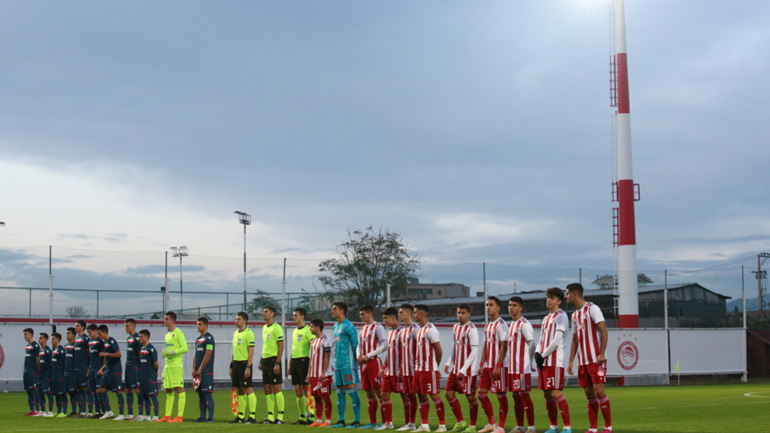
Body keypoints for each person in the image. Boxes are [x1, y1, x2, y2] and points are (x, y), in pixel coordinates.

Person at [566, 283, 612, 433]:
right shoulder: (574, 315)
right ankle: (593, 428)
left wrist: (602, 353)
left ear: (574, 294)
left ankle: (608, 427)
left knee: (599, 391)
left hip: (595, 359)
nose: (566, 297)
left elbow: (603, 331)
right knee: (588, 393)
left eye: (567, 293)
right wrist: (571, 361)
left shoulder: (592, 308)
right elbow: (574, 340)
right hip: (583, 361)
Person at [535, 287, 572, 433]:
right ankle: (553, 427)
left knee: (556, 392)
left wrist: (542, 355)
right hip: (544, 361)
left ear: (559, 301)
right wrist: (537, 354)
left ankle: (567, 428)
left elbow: (556, 341)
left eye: (552, 298)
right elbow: (541, 339)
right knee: (546, 394)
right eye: (548, 297)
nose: (548, 300)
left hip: (555, 361)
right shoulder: (546, 318)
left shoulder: (561, 316)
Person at [443, 304, 479, 433]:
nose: (460, 315)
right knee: (448, 393)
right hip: (456, 368)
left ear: (468, 314)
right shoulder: (456, 327)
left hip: (467, 370)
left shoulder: (471, 329)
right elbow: (455, 346)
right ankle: (460, 422)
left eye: (463, 313)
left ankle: (473, 426)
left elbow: (474, 351)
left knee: (470, 397)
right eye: (458, 312)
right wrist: (449, 362)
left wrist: (464, 369)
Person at [411, 304, 446, 433]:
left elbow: (439, 351)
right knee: (421, 396)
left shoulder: (431, 329)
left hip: (428, 370)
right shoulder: (419, 330)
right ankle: (424, 425)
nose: (413, 315)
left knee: (434, 395)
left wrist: (435, 366)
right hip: (419, 370)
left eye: (415, 313)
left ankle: (442, 426)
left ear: (422, 314)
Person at [477, 297, 508, 433]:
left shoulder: (501, 324)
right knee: (481, 394)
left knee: (501, 396)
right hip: (488, 366)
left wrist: (498, 365)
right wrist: (481, 364)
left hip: (498, 366)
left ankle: (501, 427)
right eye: (487, 305)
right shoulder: (488, 325)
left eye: (491, 305)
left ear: (498, 308)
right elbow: (485, 346)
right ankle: (491, 423)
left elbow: (504, 346)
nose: (488, 307)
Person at [329, 301, 361, 428]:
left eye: (335, 309)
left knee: (352, 390)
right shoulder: (335, 326)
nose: (332, 311)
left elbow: (355, 344)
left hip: (348, 364)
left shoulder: (349, 326)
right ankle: (341, 421)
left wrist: (356, 360)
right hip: (338, 364)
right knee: (339, 392)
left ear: (342, 311)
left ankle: (356, 421)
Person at [507, 297, 536, 433]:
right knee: (515, 397)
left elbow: (532, 344)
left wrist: (529, 360)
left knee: (524, 396)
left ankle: (531, 428)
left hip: (522, 368)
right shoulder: (512, 324)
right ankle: (520, 427)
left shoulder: (524, 324)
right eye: (510, 305)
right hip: (512, 368)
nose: (511, 308)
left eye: (514, 305)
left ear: (520, 308)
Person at [357, 304, 387, 429]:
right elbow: (358, 345)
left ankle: (385, 421)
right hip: (364, 364)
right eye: (360, 314)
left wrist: (369, 355)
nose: (361, 317)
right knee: (368, 392)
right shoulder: (363, 329)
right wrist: (358, 355)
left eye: (362, 314)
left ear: (370, 314)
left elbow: (384, 345)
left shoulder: (378, 327)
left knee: (379, 391)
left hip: (374, 362)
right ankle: (372, 421)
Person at [157, 311, 187, 423]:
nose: (164, 321)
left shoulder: (178, 333)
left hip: (176, 365)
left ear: (172, 320)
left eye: (166, 319)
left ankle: (180, 416)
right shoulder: (167, 335)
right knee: (168, 389)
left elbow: (184, 348)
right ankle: (167, 415)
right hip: (168, 366)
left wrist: (171, 352)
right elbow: (169, 352)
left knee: (179, 388)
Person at [377, 307, 405, 431]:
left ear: (393, 318)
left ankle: (409, 423)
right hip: (389, 371)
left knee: (405, 396)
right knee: (384, 394)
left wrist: (402, 368)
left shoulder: (402, 332)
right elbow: (389, 352)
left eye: (385, 318)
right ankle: (388, 423)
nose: (384, 321)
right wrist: (383, 367)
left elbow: (405, 352)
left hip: (399, 371)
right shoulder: (390, 332)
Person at [260, 306, 285, 424]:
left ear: (272, 313)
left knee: (276, 388)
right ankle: (270, 416)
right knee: (267, 388)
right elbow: (265, 345)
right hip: (265, 360)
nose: (263, 313)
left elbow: (281, 346)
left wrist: (277, 363)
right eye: (263, 311)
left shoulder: (277, 327)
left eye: (266, 312)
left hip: (273, 360)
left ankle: (280, 417)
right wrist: (261, 361)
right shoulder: (264, 327)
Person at [396, 304, 419, 432]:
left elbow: (420, 349)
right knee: (409, 395)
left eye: (401, 312)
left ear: (408, 313)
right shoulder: (402, 331)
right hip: (405, 370)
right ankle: (410, 423)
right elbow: (402, 351)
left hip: (414, 369)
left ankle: (416, 423)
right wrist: (400, 368)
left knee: (419, 396)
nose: (399, 315)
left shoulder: (415, 329)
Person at [306, 318, 333, 427]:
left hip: (323, 375)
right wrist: (309, 373)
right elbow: (311, 359)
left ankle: (328, 421)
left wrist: (323, 373)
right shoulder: (313, 341)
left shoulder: (325, 340)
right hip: (314, 375)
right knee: (316, 397)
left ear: (317, 327)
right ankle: (318, 420)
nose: (310, 328)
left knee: (325, 397)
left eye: (311, 326)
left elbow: (327, 357)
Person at [231, 311, 257, 424]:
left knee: (248, 389)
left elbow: (251, 352)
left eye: (239, 319)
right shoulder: (235, 333)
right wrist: (231, 365)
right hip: (236, 364)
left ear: (245, 321)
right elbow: (235, 351)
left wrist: (248, 367)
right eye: (236, 319)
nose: (236, 321)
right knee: (239, 390)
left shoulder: (249, 333)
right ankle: (241, 416)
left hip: (244, 364)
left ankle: (252, 416)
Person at [290, 307, 314, 425]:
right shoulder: (295, 331)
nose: (293, 317)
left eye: (296, 315)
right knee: (297, 390)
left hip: (304, 361)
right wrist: (290, 364)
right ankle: (302, 417)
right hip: (294, 361)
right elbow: (293, 348)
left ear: (302, 316)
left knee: (306, 389)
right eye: (293, 315)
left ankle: (312, 415)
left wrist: (311, 366)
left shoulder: (308, 330)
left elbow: (313, 348)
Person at [97, 324, 124, 420]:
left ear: (104, 332)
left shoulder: (112, 341)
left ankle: (121, 414)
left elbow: (119, 354)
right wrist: (103, 367)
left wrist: (106, 354)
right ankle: (109, 412)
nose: (99, 336)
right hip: (108, 370)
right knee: (101, 390)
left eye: (99, 334)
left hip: (115, 370)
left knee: (118, 391)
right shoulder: (105, 343)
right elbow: (108, 357)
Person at [193, 316, 216, 423]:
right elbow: (196, 355)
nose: (198, 326)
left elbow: (208, 355)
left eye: (200, 324)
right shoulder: (198, 340)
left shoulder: (209, 338)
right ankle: (202, 417)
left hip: (206, 371)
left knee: (207, 394)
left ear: (206, 325)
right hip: (198, 371)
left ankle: (210, 418)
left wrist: (201, 369)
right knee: (200, 394)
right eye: (197, 324)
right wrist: (194, 368)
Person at [138, 329, 160, 421]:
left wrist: (153, 373)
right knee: (144, 396)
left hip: (150, 377)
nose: (139, 338)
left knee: (153, 396)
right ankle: (147, 416)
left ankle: (156, 416)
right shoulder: (142, 348)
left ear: (146, 337)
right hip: (142, 377)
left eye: (141, 336)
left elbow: (156, 364)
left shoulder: (151, 349)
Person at [124, 318, 142, 420]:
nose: (126, 328)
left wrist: (141, 367)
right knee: (127, 389)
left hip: (135, 367)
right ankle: (130, 413)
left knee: (137, 389)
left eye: (127, 326)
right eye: (125, 326)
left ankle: (140, 413)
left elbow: (140, 354)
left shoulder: (137, 338)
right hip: (128, 366)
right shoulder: (128, 338)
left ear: (133, 326)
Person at [87, 323, 106, 418]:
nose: (89, 334)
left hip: (98, 369)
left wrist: (103, 368)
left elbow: (104, 355)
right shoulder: (90, 342)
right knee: (93, 391)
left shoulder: (100, 342)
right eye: (88, 332)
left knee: (99, 391)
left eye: (90, 332)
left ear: (95, 331)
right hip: (91, 369)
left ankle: (104, 411)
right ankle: (98, 412)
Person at [73, 320, 92, 417]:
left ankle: (91, 411)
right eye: (75, 326)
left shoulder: (85, 339)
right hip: (77, 368)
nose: (75, 327)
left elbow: (89, 353)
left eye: (78, 326)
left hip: (84, 367)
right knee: (79, 389)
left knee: (86, 389)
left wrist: (88, 367)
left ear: (82, 327)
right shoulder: (76, 339)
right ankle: (83, 411)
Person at [22, 328, 41, 416]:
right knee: (28, 390)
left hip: (32, 371)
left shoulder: (35, 345)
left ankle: (37, 409)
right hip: (26, 371)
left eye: (25, 334)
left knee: (34, 390)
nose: (24, 336)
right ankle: (31, 409)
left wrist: (37, 370)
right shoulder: (27, 346)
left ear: (30, 334)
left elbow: (37, 358)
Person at [64, 328, 80, 417]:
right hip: (67, 372)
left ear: (74, 335)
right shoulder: (65, 346)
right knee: (70, 392)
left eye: (69, 333)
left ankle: (80, 411)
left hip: (73, 372)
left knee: (75, 392)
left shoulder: (75, 345)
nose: (67, 335)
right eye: (67, 333)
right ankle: (73, 411)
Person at [37, 332, 54, 417]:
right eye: (39, 338)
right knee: (40, 392)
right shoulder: (40, 350)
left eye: (41, 338)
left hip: (47, 375)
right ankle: (42, 410)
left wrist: (50, 373)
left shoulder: (48, 350)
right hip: (40, 375)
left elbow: (51, 362)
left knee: (48, 392)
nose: (39, 339)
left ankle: (50, 411)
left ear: (45, 339)